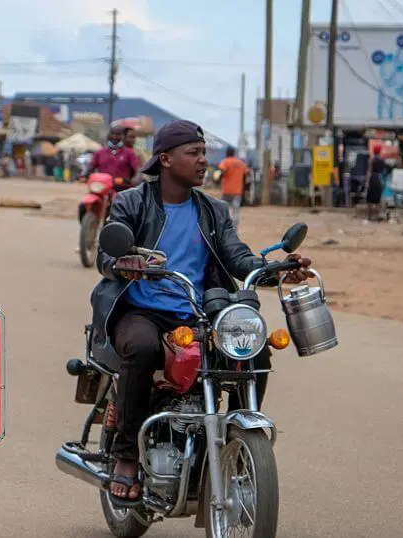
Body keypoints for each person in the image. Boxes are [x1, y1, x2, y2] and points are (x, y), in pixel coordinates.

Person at [89, 120, 312, 502]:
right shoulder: (133, 202)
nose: (203, 161)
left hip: (198, 312)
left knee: (253, 349)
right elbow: (106, 254)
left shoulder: (213, 210)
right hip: (142, 310)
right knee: (142, 348)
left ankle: (241, 440)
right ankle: (126, 457)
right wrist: (124, 263)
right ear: (166, 159)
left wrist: (279, 269)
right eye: (193, 153)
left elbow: (236, 256)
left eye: (203, 153)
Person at [217, 146, 248, 229]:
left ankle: (222, 229)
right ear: (234, 153)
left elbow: (221, 172)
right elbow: (245, 176)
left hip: (226, 191)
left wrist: (218, 179)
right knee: (235, 212)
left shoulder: (225, 162)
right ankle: (234, 231)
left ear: (227, 153)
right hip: (237, 192)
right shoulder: (241, 163)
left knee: (223, 211)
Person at [365, 145, 386, 221]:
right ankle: (377, 216)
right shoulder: (382, 160)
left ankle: (369, 217)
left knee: (369, 199)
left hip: (372, 178)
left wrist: (367, 182)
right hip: (379, 179)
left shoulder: (371, 160)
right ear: (379, 151)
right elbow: (384, 172)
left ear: (373, 151)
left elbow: (369, 171)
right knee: (378, 198)